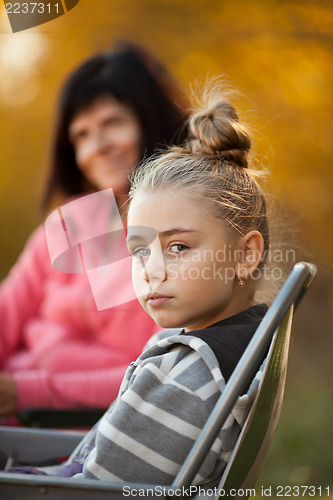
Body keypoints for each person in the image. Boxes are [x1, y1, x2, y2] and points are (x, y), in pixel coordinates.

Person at [6, 80, 284, 486]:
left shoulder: (186, 373)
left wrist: (28, 391)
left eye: (178, 247)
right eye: (137, 252)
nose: (151, 269)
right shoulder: (76, 223)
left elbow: (98, 491)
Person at [0, 40, 188, 421]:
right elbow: (7, 312)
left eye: (112, 123)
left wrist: (28, 388)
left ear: (150, 120)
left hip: (86, 440)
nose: (96, 147)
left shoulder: (183, 233)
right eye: (81, 135)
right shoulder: (73, 223)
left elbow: (157, 375)